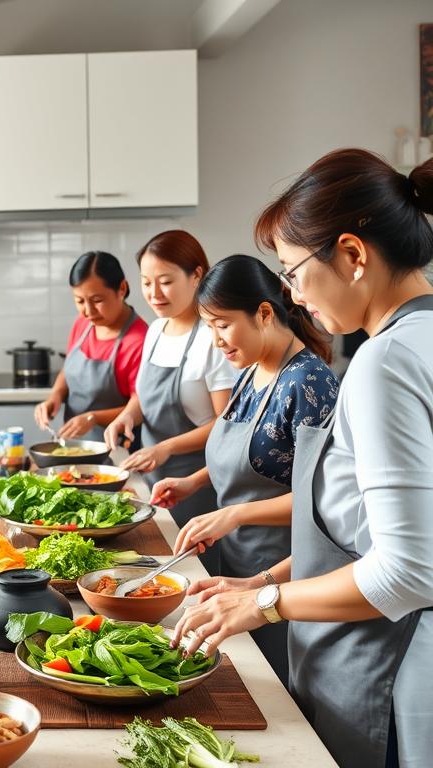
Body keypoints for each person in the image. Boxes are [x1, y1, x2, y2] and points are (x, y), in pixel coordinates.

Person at [173, 149, 433, 768]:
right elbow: (358, 529)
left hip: (387, 669)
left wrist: (263, 605)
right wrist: (263, 580)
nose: (291, 293)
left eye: (291, 271)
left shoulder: (386, 362)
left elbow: (407, 570)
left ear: (352, 254)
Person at [151, 254, 338, 682]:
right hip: (233, 567)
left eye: (222, 324)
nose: (216, 340)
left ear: (265, 313)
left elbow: (321, 502)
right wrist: (193, 480)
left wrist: (234, 513)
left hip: (281, 580)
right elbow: (248, 458)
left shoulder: (309, 384)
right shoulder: (251, 368)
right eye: (209, 327)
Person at [103, 231, 236, 573]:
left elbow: (227, 424)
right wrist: (127, 417)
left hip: (196, 485)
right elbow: (142, 394)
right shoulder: (155, 330)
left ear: (197, 275)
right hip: (149, 478)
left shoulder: (214, 337)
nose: (154, 293)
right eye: (146, 282)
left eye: (165, 281)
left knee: (190, 575)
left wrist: (167, 448)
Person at [33, 251, 148, 441]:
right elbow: (68, 369)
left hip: (116, 448)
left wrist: (93, 418)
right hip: (73, 445)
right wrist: (56, 396)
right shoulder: (83, 324)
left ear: (122, 288)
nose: (87, 311)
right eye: (79, 301)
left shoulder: (139, 341)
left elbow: (141, 406)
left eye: (97, 300)